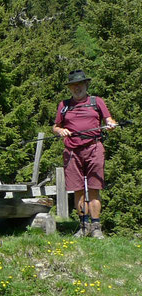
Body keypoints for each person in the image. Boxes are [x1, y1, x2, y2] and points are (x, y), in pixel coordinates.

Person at [52, 70, 117, 239]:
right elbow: (56, 126)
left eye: (79, 84)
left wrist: (110, 124)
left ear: (86, 85)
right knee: (78, 190)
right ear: (70, 88)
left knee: (95, 188)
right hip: (72, 151)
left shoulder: (97, 102)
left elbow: (109, 120)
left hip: (94, 148)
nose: (76, 88)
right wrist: (60, 130)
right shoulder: (64, 105)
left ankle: (96, 228)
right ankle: (83, 226)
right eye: (73, 85)